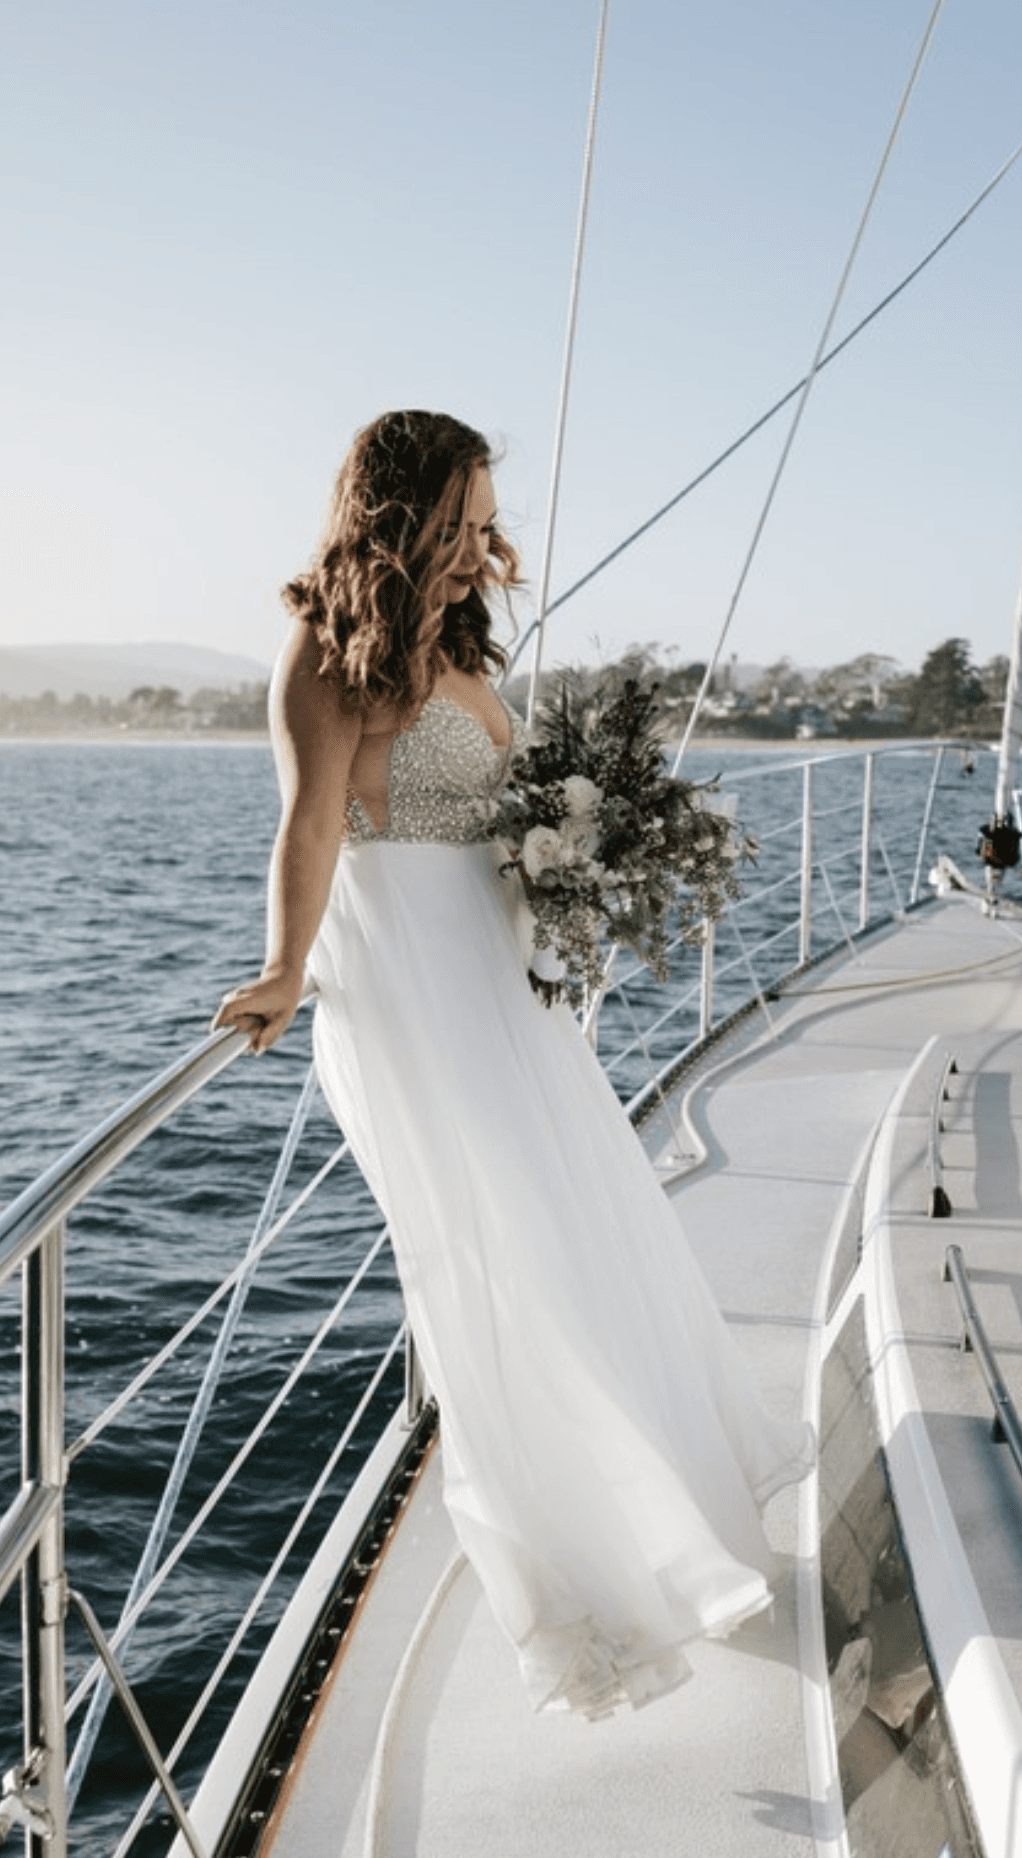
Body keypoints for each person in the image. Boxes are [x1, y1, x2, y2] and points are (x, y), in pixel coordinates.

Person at [214, 409, 813, 1720]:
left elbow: (499, 804)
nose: (490, 538)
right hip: (418, 1000)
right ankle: (600, 1579)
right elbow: (313, 825)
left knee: (596, 1246)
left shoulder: (458, 640)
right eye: (468, 514)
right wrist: (278, 966)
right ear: (404, 510)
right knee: (513, 1276)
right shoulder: (322, 654)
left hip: (512, 998)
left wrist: (592, 853)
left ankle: (681, 1518)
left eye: (490, 514)